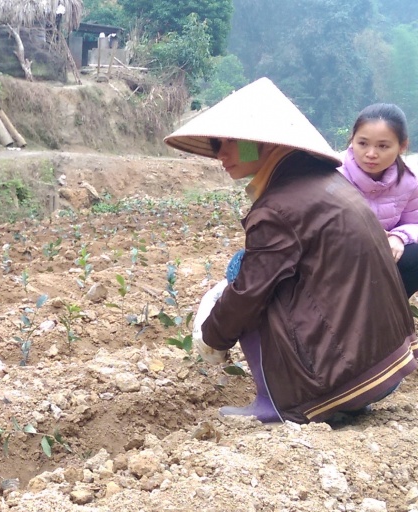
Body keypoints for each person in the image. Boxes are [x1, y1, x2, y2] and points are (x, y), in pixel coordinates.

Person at [165, 78, 418, 424]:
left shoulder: (279, 206)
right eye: (215, 144)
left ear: (261, 143)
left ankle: (274, 403)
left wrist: (212, 336)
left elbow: (251, 291)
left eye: (229, 143)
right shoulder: (325, 181)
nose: (220, 154)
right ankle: (343, 396)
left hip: (342, 378)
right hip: (386, 364)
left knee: (241, 276)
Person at [339, 103, 418, 298]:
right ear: (352, 140)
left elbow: (414, 222)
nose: (371, 154)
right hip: (337, 256)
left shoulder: (408, 182)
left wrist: (399, 237)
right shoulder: (333, 174)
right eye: (363, 143)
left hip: (382, 256)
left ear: (402, 146)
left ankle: (389, 312)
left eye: (383, 146)